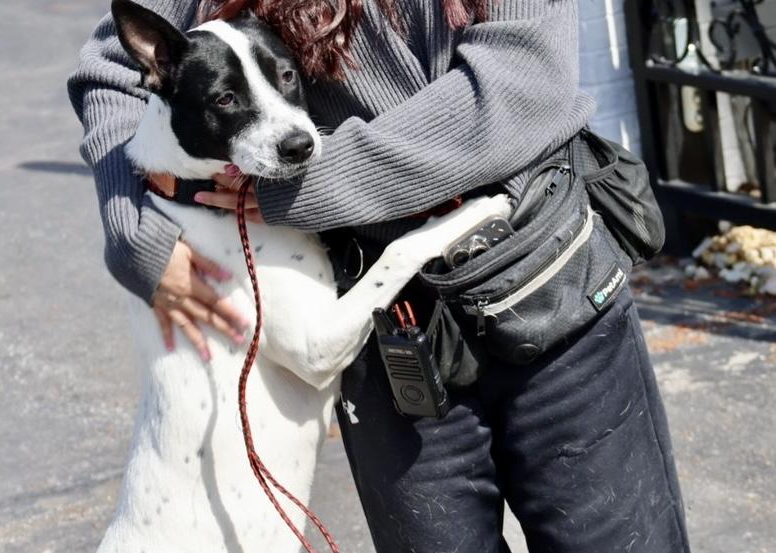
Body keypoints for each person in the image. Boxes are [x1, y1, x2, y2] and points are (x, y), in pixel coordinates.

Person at [68, 0, 691, 551]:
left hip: (548, 293)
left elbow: (523, 88)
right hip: (387, 347)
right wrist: (140, 228)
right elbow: (113, 68)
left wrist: (313, 180)